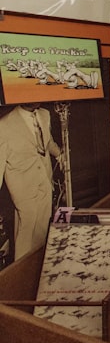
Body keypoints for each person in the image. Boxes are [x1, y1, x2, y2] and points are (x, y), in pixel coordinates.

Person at [0, 103, 64, 260]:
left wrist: (59, 155)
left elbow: (47, 142)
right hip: (22, 186)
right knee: (26, 229)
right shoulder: (4, 125)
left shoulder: (44, 114)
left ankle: (36, 268)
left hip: (44, 180)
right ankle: (20, 272)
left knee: (42, 228)